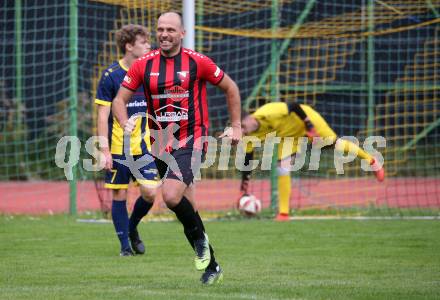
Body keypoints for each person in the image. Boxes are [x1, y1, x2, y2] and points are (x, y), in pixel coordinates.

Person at [112, 12, 242, 285]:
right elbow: (119, 100)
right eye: (160, 29)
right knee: (189, 208)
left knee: (171, 196)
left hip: (192, 139)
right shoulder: (143, 65)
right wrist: (124, 122)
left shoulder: (198, 62)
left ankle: (201, 248)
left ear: (182, 33)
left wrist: (237, 125)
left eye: (170, 29)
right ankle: (213, 265)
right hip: (160, 143)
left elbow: (231, 88)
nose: (164, 34)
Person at [240, 101, 385, 221]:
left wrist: (309, 125)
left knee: (334, 144)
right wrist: (244, 184)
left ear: (249, 117)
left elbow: (294, 105)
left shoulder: (269, 111)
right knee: (282, 167)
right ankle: (283, 214)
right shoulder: (248, 136)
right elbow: (248, 159)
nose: (243, 131)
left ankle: (372, 161)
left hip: (306, 119)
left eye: (243, 126)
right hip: (289, 135)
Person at [95, 24, 158, 256]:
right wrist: (104, 150)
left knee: (151, 193)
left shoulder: (150, 73)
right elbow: (102, 115)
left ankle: (132, 228)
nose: (149, 46)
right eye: (143, 42)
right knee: (119, 193)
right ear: (129, 46)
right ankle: (125, 248)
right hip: (117, 148)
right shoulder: (111, 76)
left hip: (143, 149)